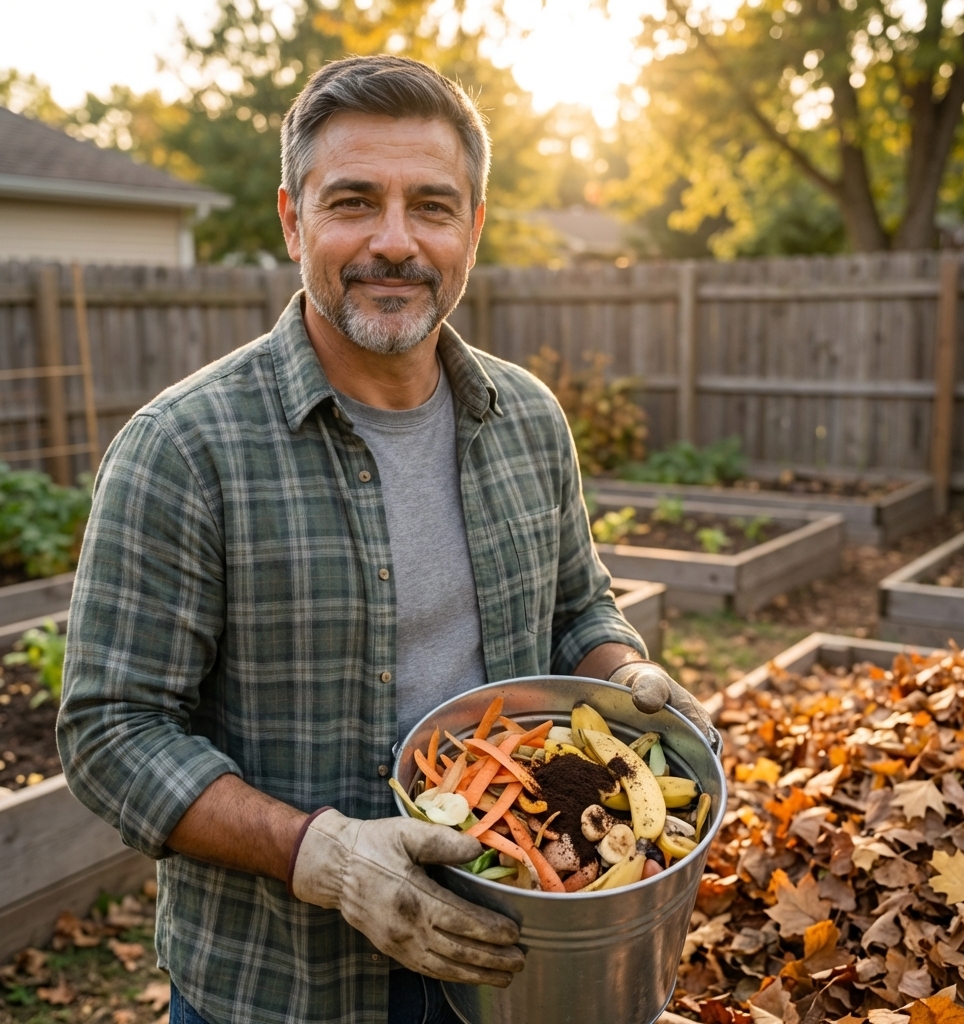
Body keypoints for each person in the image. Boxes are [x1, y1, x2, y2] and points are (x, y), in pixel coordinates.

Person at [57, 54, 717, 1024]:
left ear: (474, 228)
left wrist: (625, 674)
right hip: (283, 989)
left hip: (514, 968)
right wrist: (317, 854)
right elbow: (109, 728)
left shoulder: (527, 418)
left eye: (433, 206)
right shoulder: (182, 450)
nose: (395, 242)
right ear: (293, 220)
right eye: (355, 201)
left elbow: (578, 605)